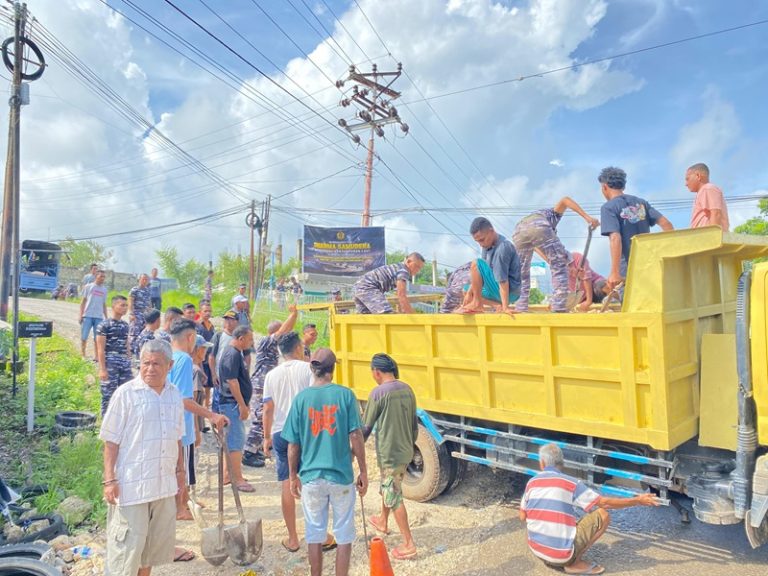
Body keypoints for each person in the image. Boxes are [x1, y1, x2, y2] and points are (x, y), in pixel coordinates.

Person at [100, 339, 186, 575]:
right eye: (145, 363)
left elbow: (177, 436)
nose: (150, 368)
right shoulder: (126, 394)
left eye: (156, 363)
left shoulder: (174, 394)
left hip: (162, 487)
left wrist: (181, 472)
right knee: (125, 557)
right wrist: (109, 480)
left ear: (170, 365)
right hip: (131, 488)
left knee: (149, 555)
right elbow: (111, 440)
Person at [282, 348, 368, 576]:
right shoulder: (345, 395)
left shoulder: (301, 399)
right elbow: (356, 435)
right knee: (344, 535)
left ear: (312, 368)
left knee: (314, 534)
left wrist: (293, 476)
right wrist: (364, 471)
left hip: (311, 478)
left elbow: (293, 444)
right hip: (341, 476)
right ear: (333, 369)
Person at [520, 443, 659, 575]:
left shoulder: (531, 483)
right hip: (562, 557)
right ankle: (574, 563)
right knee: (603, 515)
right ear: (562, 463)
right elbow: (605, 503)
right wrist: (637, 500)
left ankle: (548, 548)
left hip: (536, 550)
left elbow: (522, 516)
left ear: (542, 463)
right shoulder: (571, 483)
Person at [169, 319, 228, 521]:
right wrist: (211, 415)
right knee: (182, 468)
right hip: (180, 426)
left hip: (171, 424)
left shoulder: (168, 357)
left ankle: (184, 502)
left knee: (181, 466)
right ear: (191, 337)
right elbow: (185, 399)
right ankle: (180, 508)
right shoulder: (184, 360)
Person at [362, 354, 418, 560]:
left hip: (390, 453)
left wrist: (353, 449)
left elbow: (366, 428)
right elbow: (414, 423)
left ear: (376, 372)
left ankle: (408, 543)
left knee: (393, 495)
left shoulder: (378, 393)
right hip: (405, 449)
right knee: (388, 486)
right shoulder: (407, 389)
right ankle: (383, 521)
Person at [262, 332, 313, 553]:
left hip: (281, 432)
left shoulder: (271, 375)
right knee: (310, 482)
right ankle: (315, 535)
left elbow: (267, 409)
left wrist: (265, 437)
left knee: (286, 484)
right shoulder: (308, 369)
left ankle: (293, 538)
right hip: (305, 432)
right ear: (299, 348)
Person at [512, 198, 599, 313]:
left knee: (522, 273)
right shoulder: (553, 215)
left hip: (519, 230)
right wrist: (587, 218)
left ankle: (521, 308)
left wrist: (570, 266)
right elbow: (565, 200)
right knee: (559, 266)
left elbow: (541, 250)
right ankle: (558, 308)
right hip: (537, 224)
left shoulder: (539, 226)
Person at [599, 167, 673, 290]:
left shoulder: (608, 207)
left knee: (631, 303)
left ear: (604, 187)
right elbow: (666, 224)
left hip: (628, 269)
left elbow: (615, 238)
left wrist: (614, 272)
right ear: (623, 186)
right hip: (649, 264)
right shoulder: (641, 203)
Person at [242, 305, 298, 468]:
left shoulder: (272, 345)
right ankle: (249, 452)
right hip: (260, 385)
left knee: (267, 417)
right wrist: (293, 314)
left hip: (266, 383)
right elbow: (284, 331)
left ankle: (257, 447)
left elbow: (285, 331)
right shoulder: (267, 341)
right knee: (260, 417)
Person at [216, 325, 256, 492]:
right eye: (250, 339)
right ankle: (236, 479)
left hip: (232, 403)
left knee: (231, 441)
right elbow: (232, 382)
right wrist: (241, 404)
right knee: (236, 442)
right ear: (241, 339)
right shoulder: (232, 354)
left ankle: (227, 474)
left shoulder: (234, 353)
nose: (252, 342)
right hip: (232, 404)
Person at [458, 217, 521, 314]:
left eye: (482, 240)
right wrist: (469, 294)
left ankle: (477, 304)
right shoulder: (486, 246)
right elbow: (481, 275)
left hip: (510, 292)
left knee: (476, 263)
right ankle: (495, 305)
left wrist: (506, 308)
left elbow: (503, 280)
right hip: (497, 289)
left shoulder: (502, 248)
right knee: (466, 291)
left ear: (491, 231)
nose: (480, 244)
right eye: (477, 241)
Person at [353, 253, 425, 314]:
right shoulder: (404, 271)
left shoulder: (398, 268)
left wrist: (401, 312)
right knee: (386, 315)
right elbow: (401, 295)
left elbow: (398, 296)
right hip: (368, 287)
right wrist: (414, 317)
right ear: (409, 262)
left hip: (359, 286)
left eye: (420, 268)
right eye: (417, 266)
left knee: (368, 318)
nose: (418, 270)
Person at [96, 295, 132, 416]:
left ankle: (121, 419)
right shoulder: (104, 325)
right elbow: (100, 348)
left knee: (126, 391)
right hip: (110, 361)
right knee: (108, 394)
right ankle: (105, 421)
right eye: (122, 305)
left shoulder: (125, 325)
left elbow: (127, 344)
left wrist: (129, 359)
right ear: (113, 306)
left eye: (126, 305)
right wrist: (102, 369)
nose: (125, 308)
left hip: (123, 362)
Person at [686, 163, 730, 230]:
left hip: (709, 238)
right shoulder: (704, 191)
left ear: (698, 176)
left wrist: (713, 237)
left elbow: (716, 214)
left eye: (687, 179)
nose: (686, 184)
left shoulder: (708, 188)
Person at [79, 269, 107, 358]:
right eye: (101, 276)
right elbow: (83, 302)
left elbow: (104, 304)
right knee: (84, 337)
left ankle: (96, 356)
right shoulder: (88, 287)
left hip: (98, 317)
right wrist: (80, 315)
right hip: (87, 315)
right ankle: (83, 354)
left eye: (104, 277)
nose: (102, 278)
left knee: (97, 338)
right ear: (96, 276)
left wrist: (106, 317)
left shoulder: (104, 290)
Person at [196, 302, 216, 412]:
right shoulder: (198, 326)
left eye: (209, 311)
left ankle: (206, 406)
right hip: (200, 359)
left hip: (209, 358)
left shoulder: (211, 326)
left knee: (208, 385)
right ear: (200, 312)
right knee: (200, 385)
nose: (208, 313)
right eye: (205, 311)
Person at [128, 274, 152, 355]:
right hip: (136, 314)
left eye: (146, 279)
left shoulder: (147, 291)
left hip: (145, 315)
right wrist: (131, 314)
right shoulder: (134, 290)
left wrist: (150, 316)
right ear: (139, 280)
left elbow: (149, 304)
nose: (144, 281)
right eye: (143, 279)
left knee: (143, 333)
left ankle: (139, 352)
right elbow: (130, 302)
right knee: (134, 333)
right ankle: (131, 351)